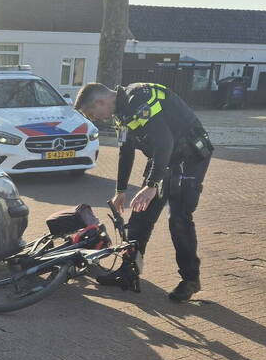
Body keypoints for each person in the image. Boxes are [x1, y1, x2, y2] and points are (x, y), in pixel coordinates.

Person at [75, 82, 213, 303]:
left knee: (178, 218)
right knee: (140, 217)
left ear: (100, 102)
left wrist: (151, 185)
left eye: (93, 113)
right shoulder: (121, 113)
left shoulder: (138, 99)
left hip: (190, 156)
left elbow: (164, 141)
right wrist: (120, 190)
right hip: (163, 158)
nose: (96, 119)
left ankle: (190, 280)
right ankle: (128, 272)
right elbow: (126, 151)